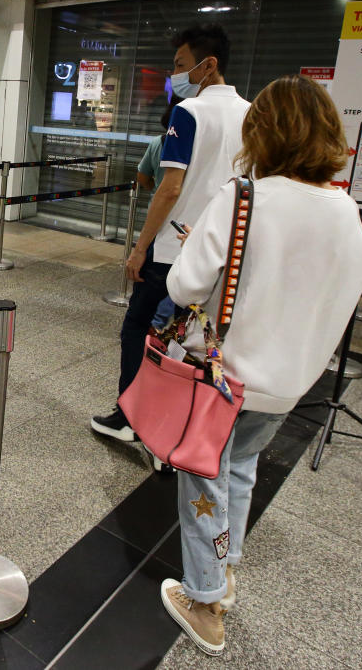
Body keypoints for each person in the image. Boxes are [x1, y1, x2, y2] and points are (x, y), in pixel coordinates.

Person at [159, 74, 362, 655]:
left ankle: (204, 600)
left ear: (264, 133)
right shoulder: (346, 208)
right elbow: (353, 284)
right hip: (289, 382)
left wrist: (192, 250)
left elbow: (184, 286)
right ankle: (227, 567)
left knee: (203, 475)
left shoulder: (243, 196)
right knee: (243, 467)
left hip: (227, 376)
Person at [92, 24, 249, 441]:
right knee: (192, 339)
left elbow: (170, 187)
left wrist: (139, 248)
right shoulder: (252, 113)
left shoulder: (189, 113)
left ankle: (131, 418)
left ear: (208, 64)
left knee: (138, 329)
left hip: (173, 250)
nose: (175, 74)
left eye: (181, 65)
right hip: (222, 250)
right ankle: (180, 420)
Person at [137, 97, 182, 330]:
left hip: (157, 219)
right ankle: (161, 320)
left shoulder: (158, 142)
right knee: (177, 271)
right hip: (186, 222)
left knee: (155, 271)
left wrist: (156, 189)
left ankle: (154, 321)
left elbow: (143, 176)